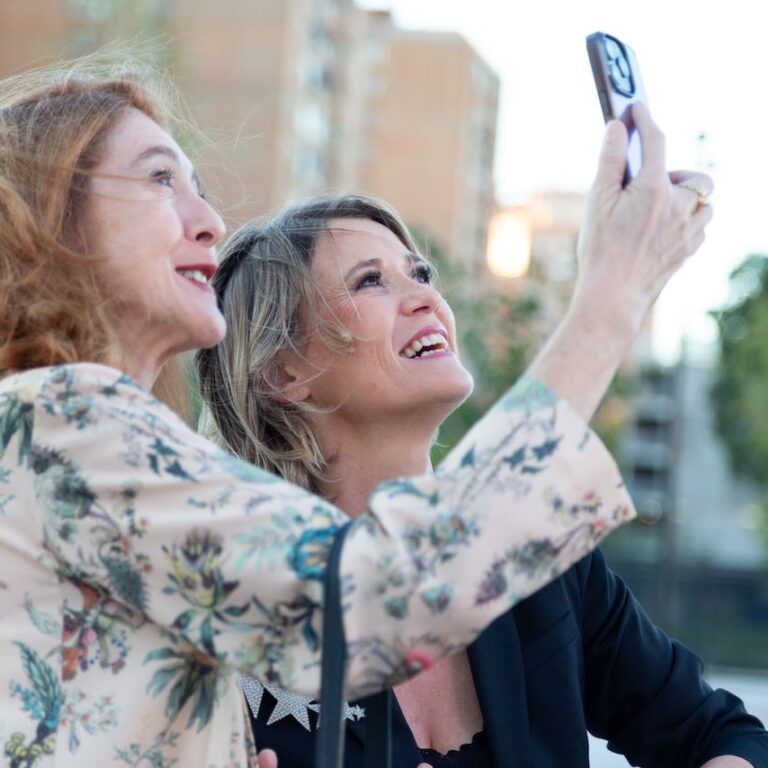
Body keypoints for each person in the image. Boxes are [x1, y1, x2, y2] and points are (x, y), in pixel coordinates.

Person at [0, 60, 682, 768]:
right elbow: (376, 601)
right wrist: (614, 295)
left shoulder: (68, 439)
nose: (209, 222)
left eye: (197, 187)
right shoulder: (58, 425)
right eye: (159, 179)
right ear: (53, 225)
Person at [197, 187, 766, 768]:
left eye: (420, 273)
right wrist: (614, 294)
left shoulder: (541, 558)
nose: (425, 297)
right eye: (371, 281)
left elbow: (722, 733)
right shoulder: (230, 613)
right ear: (283, 371)